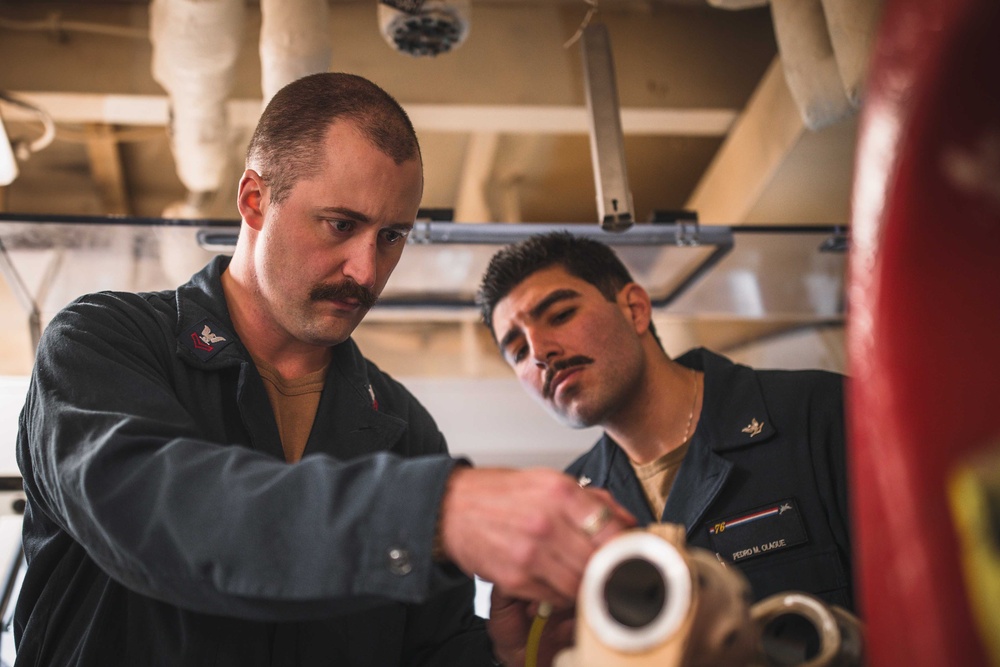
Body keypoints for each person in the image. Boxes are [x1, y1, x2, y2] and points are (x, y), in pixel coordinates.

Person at [13, 74, 633, 666]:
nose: (366, 271)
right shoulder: (105, 342)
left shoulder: (403, 431)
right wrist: (435, 513)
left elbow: (428, 651)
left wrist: (510, 653)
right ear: (255, 200)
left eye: (391, 236)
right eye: (342, 225)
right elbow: (160, 514)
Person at [477, 232, 853, 658]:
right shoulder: (570, 506)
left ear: (634, 309)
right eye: (518, 349)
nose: (540, 352)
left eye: (561, 315)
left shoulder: (821, 415)